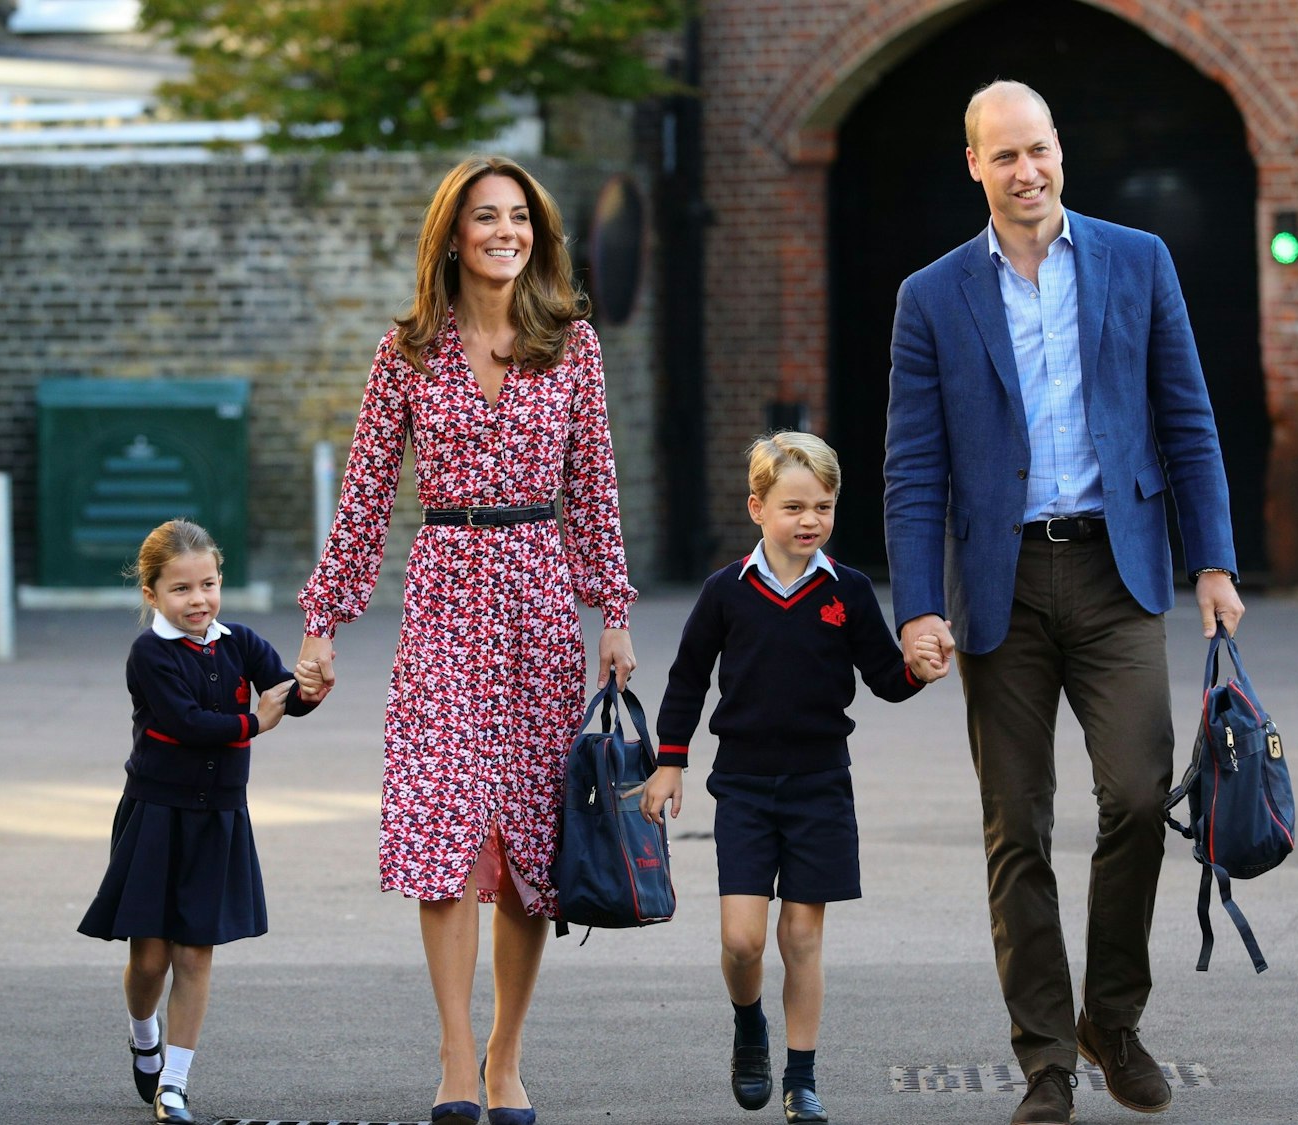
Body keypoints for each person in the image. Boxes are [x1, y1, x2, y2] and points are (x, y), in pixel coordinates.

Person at [882, 81, 1246, 1125]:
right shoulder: (931, 296)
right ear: (973, 167)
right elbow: (912, 472)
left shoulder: (1137, 261)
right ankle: (1043, 1058)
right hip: (996, 587)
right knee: (1016, 829)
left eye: (1036, 150)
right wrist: (915, 608)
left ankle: (1111, 1022)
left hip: (1115, 570)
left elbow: (1188, 420)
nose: (1024, 172)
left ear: (1058, 150)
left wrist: (1211, 561)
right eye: (1002, 157)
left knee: (1136, 797)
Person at [293, 155, 637, 1125]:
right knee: (443, 827)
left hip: (535, 601)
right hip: (443, 596)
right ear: (452, 232)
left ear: (537, 232)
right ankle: (452, 1053)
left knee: (530, 840)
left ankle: (504, 1056)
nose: (504, 232)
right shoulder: (403, 352)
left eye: (518, 218)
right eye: (484, 217)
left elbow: (593, 491)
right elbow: (363, 501)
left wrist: (612, 609)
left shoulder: (570, 346)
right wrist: (322, 620)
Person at [641, 431, 947, 1125]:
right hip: (744, 788)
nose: (810, 520)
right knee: (743, 939)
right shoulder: (727, 591)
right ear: (757, 507)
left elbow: (884, 677)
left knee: (802, 937)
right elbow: (689, 678)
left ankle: (801, 1078)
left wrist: (917, 671)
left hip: (820, 788)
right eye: (794, 506)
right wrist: (669, 761)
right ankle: (750, 1023)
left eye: (825, 506)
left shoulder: (849, 591)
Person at [77, 518, 325, 1125]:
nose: (198, 600)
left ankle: (175, 1086)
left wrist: (311, 689)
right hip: (157, 816)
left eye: (208, 585)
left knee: (195, 955)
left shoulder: (238, 641)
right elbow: (186, 724)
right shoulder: (149, 654)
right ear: (152, 595)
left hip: (219, 818)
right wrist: (255, 723)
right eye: (181, 589)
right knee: (150, 960)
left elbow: (283, 691)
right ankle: (144, 1034)